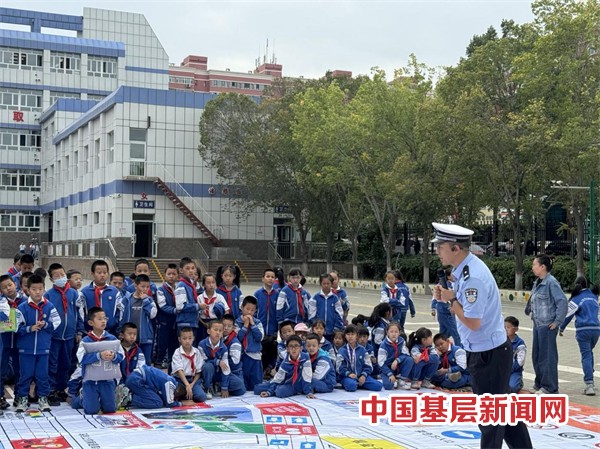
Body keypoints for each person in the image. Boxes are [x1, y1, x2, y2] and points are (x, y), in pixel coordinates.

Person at [433, 222, 532, 449]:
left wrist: (451, 299)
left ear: (456, 248)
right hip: (486, 351)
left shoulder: (472, 277)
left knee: (490, 419)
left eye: (441, 246)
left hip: (488, 355)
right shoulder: (464, 271)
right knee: (503, 413)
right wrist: (449, 296)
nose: (437, 251)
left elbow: (473, 322)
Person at [15, 274, 61, 412]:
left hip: (43, 348)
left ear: (44, 289)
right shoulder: (22, 307)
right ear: (27, 290)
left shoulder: (49, 306)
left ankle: (43, 398)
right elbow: (16, 326)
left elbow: (57, 322)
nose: (37, 292)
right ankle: (23, 399)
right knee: (25, 375)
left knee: (43, 375)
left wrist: (46, 325)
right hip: (26, 349)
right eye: (34, 289)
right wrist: (30, 328)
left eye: (40, 289)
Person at [525, 254, 567, 394]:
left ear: (543, 267)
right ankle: (539, 384)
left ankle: (550, 387)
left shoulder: (551, 282)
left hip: (547, 326)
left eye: (534, 265)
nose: (532, 267)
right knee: (537, 356)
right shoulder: (537, 282)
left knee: (547, 357)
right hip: (538, 325)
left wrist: (557, 322)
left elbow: (562, 302)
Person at [44, 263, 84, 406]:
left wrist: (79, 331)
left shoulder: (74, 293)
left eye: (62, 274)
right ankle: (51, 390)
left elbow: (79, 314)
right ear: (51, 278)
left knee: (66, 363)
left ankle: (61, 388)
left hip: (69, 335)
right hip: (54, 336)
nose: (61, 277)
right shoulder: (48, 295)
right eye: (57, 276)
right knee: (52, 364)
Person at [75, 307, 124, 415]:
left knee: (110, 409)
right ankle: (82, 398)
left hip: (108, 380)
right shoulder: (85, 341)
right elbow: (81, 358)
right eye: (100, 319)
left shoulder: (112, 339)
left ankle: (101, 399)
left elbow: (122, 356)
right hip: (90, 381)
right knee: (91, 411)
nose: (103, 321)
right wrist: (98, 355)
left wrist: (114, 356)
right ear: (91, 322)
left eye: (105, 318)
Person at [559, 276, 600, 396]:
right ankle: (590, 372)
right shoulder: (594, 296)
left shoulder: (576, 298)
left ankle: (589, 384)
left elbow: (568, 315)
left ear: (577, 285)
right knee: (589, 352)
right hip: (596, 330)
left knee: (586, 355)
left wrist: (561, 328)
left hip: (583, 330)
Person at [198, 320, 246, 399]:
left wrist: (224, 387)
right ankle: (207, 387)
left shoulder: (223, 347)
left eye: (220, 331)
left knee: (240, 386)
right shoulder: (202, 344)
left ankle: (218, 386)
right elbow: (203, 362)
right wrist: (217, 362)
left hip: (219, 373)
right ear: (209, 331)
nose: (218, 333)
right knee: (207, 366)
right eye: (215, 330)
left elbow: (225, 367)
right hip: (208, 373)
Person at [0, 274, 26, 409]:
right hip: (3, 341)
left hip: (20, 341)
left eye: (9, 285)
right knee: (1, 369)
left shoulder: (25, 301)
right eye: (4, 288)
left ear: (15, 284)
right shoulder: (1, 303)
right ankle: (0, 397)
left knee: (20, 369)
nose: (8, 289)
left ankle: (19, 396)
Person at [119, 274, 157, 364]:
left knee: (146, 362)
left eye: (147, 287)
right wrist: (120, 332)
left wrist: (145, 301)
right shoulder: (126, 299)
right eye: (142, 286)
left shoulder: (150, 300)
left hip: (145, 337)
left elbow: (153, 314)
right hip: (129, 338)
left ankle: (146, 378)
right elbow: (120, 317)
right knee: (129, 361)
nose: (145, 289)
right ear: (136, 286)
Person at [79, 260, 123, 336]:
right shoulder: (85, 292)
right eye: (99, 273)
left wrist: (117, 326)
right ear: (92, 274)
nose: (102, 275)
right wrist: (82, 329)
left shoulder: (114, 292)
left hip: (110, 332)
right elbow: (81, 312)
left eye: (105, 273)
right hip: (89, 332)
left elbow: (120, 311)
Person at [336, 325, 382, 392]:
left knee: (378, 386)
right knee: (351, 386)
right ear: (345, 336)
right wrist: (348, 374)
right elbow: (339, 367)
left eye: (352, 334)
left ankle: (359, 383)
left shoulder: (363, 350)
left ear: (357, 336)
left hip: (361, 376)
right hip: (347, 376)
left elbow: (368, 365)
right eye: (348, 334)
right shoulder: (342, 350)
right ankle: (352, 383)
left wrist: (363, 375)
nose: (350, 336)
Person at [254, 268, 280, 379]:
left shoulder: (278, 294)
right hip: (261, 329)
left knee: (273, 351)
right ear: (263, 279)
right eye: (267, 276)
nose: (270, 279)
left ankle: (270, 370)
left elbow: (280, 313)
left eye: (272, 277)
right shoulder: (258, 294)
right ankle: (263, 371)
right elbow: (254, 312)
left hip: (273, 330)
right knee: (262, 351)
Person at [235, 295, 264, 390]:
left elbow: (259, 337)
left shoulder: (258, 322)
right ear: (242, 308)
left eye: (252, 310)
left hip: (255, 356)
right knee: (244, 385)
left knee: (256, 385)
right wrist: (245, 326)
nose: (249, 312)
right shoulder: (237, 322)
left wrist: (252, 325)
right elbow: (238, 338)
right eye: (247, 309)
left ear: (255, 311)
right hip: (242, 356)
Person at [171, 327, 207, 403]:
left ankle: (188, 393)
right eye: (184, 338)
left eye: (190, 338)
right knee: (175, 393)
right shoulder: (177, 352)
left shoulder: (196, 352)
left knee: (202, 397)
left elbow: (198, 372)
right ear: (179, 339)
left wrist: (192, 384)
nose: (187, 341)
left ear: (193, 338)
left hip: (192, 379)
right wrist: (187, 385)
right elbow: (179, 371)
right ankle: (185, 393)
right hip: (180, 379)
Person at [155, 264, 179, 369]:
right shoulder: (161, 290)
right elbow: (162, 306)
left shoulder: (178, 289)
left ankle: (171, 364)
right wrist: (175, 310)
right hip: (164, 322)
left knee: (174, 344)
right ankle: (158, 363)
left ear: (178, 275)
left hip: (176, 322)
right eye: (169, 274)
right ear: (164, 275)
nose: (171, 276)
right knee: (162, 344)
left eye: (174, 274)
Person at [308, 273, 344, 341]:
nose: (326, 285)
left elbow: (339, 314)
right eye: (324, 283)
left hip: (332, 331)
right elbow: (311, 314)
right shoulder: (315, 298)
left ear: (331, 284)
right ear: (320, 284)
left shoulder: (335, 298)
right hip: (318, 331)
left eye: (328, 283)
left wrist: (336, 327)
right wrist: (316, 327)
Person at [377, 322, 413, 390]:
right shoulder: (383, 345)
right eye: (391, 332)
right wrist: (389, 373)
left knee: (409, 359)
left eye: (396, 332)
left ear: (399, 333)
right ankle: (386, 377)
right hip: (387, 368)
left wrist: (397, 360)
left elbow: (406, 354)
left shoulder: (401, 341)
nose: (394, 334)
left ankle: (401, 380)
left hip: (398, 365)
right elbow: (381, 363)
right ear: (387, 332)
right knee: (388, 386)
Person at [431, 268, 462, 347]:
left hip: (443, 309)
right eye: (453, 273)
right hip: (445, 309)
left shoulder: (453, 284)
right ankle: (460, 348)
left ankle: (439, 346)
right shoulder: (445, 284)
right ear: (448, 276)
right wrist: (433, 307)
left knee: (444, 332)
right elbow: (435, 298)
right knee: (455, 332)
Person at [175, 257, 202, 342]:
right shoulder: (181, 285)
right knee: (186, 349)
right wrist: (198, 306)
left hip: (192, 321)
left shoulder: (191, 285)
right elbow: (180, 306)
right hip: (185, 323)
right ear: (181, 270)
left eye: (193, 268)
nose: (191, 271)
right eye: (187, 268)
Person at [197, 273, 229, 342]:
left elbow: (227, 311)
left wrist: (221, 323)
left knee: (216, 342)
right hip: (203, 324)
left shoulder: (219, 297)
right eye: (208, 283)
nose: (211, 285)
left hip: (216, 322)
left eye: (213, 282)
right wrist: (203, 323)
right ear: (203, 284)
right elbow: (197, 314)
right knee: (203, 342)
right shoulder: (199, 298)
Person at [504, 317, 526, 394]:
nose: (506, 329)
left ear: (516, 329)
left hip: (514, 371)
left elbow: (520, 362)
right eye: (504, 327)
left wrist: (508, 369)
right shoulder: (500, 340)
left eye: (508, 327)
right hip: (501, 371)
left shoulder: (520, 344)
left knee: (513, 387)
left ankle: (519, 382)